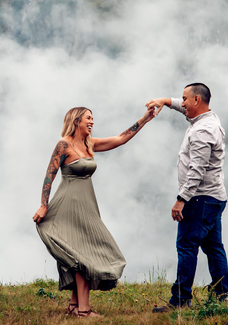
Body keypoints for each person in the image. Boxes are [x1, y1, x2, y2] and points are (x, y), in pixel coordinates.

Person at [33, 106, 155, 318]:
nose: (92, 122)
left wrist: (144, 119)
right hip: (68, 204)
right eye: (88, 118)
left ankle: (73, 305)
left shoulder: (90, 143)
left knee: (83, 251)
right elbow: (49, 175)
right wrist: (43, 205)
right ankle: (83, 311)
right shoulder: (64, 144)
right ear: (76, 120)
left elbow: (120, 139)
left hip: (86, 205)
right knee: (81, 255)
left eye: (92, 119)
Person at [146, 83, 228, 312]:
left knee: (186, 246)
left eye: (184, 99)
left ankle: (180, 300)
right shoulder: (207, 118)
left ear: (196, 101)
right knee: (214, 247)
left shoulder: (202, 131)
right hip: (214, 197)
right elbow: (185, 109)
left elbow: (197, 169)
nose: (182, 103)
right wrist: (165, 100)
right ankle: (220, 297)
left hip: (199, 199)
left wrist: (181, 199)